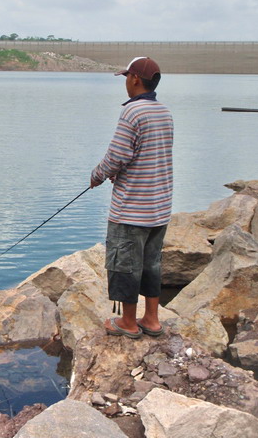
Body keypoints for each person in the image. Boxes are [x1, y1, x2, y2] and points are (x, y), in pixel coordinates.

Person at [90, 56, 173, 339]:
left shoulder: (132, 113)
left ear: (136, 79)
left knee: (124, 264)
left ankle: (127, 322)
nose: (125, 82)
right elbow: (145, 156)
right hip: (159, 209)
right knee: (152, 264)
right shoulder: (164, 112)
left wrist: (98, 175)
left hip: (131, 210)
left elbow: (118, 155)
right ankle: (151, 319)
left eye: (127, 77)